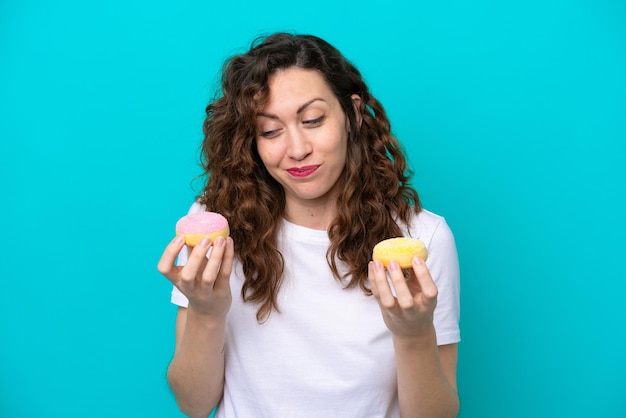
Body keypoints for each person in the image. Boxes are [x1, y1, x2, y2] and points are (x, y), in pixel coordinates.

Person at [157, 32, 460, 418]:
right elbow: (194, 404)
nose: (297, 149)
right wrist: (205, 310)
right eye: (270, 131)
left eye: (313, 120)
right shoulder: (219, 228)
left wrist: (414, 334)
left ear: (352, 114)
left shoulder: (422, 238)